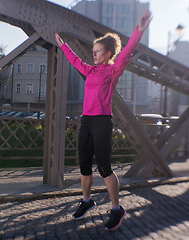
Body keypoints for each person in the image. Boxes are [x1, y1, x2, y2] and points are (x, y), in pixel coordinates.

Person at [55, 10, 152, 231]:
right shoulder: (89, 70)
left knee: (104, 167)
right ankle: (87, 201)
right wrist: (63, 45)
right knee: (84, 166)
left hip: (102, 121)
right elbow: (74, 60)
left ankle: (117, 209)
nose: (94, 54)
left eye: (98, 51)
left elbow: (127, 52)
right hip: (86, 121)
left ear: (108, 53)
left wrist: (139, 30)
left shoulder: (113, 70)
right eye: (94, 51)